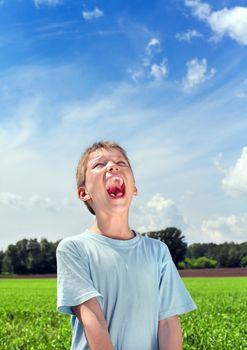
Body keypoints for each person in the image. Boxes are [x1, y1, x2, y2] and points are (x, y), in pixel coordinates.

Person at [56, 141, 197, 350]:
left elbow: (168, 322)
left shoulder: (157, 251)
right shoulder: (74, 249)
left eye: (121, 163)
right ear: (83, 193)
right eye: (99, 165)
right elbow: (93, 321)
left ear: (134, 189)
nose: (113, 167)